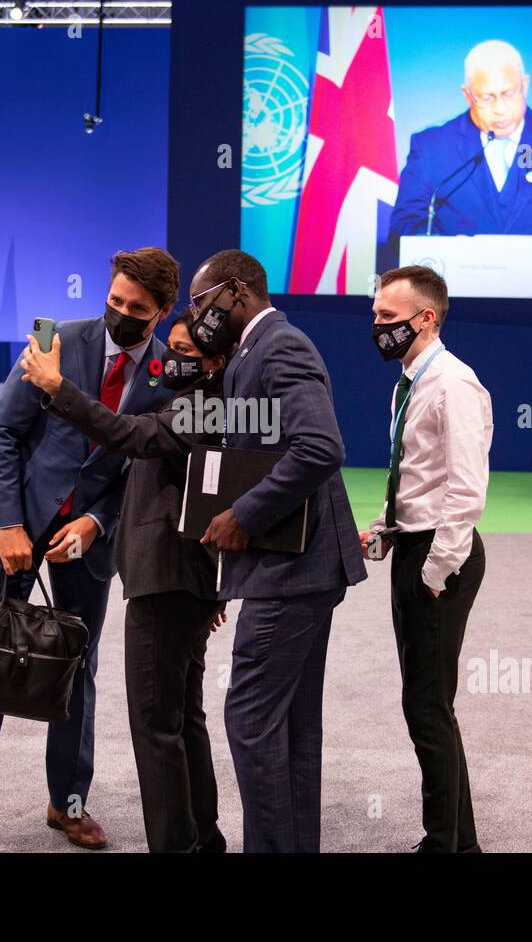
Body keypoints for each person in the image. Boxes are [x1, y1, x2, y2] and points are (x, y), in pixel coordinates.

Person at [0, 247, 178, 853]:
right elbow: (3, 433)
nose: (121, 313)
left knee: (78, 670)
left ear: (163, 312)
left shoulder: (170, 373)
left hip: (89, 543)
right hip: (12, 525)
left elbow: (146, 465)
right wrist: (10, 525)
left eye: (137, 309)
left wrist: (99, 521)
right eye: (114, 300)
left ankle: (67, 804)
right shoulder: (56, 340)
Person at [17, 306, 230, 853]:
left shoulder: (198, 408)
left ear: (216, 361)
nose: (173, 362)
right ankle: (203, 839)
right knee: (184, 719)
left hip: (167, 581)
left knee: (158, 727)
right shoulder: (210, 401)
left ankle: (177, 845)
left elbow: (126, 434)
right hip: (189, 580)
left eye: (188, 354)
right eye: (173, 350)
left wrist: (57, 387)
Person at [191, 249, 367, 853]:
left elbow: (320, 447)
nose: (197, 315)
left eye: (200, 300)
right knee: (290, 724)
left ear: (236, 291)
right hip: (300, 568)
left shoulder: (280, 345)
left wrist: (244, 513)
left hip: (293, 569)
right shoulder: (249, 352)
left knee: (249, 717)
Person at [362, 266, 492, 853]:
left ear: (426, 318)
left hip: (442, 556)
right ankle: (457, 841)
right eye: (375, 317)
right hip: (413, 545)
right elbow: (419, 474)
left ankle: (446, 845)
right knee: (426, 703)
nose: (378, 326)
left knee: (427, 706)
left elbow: (466, 491)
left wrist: (435, 569)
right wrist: (390, 527)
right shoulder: (409, 381)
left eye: (388, 318)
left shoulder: (453, 384)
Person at [389, 39, 532, 240]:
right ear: (468, 95)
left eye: (508, 94)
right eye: (486, 98)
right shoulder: (432, 147)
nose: (499, 109)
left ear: (524, 85)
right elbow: (405, 226)